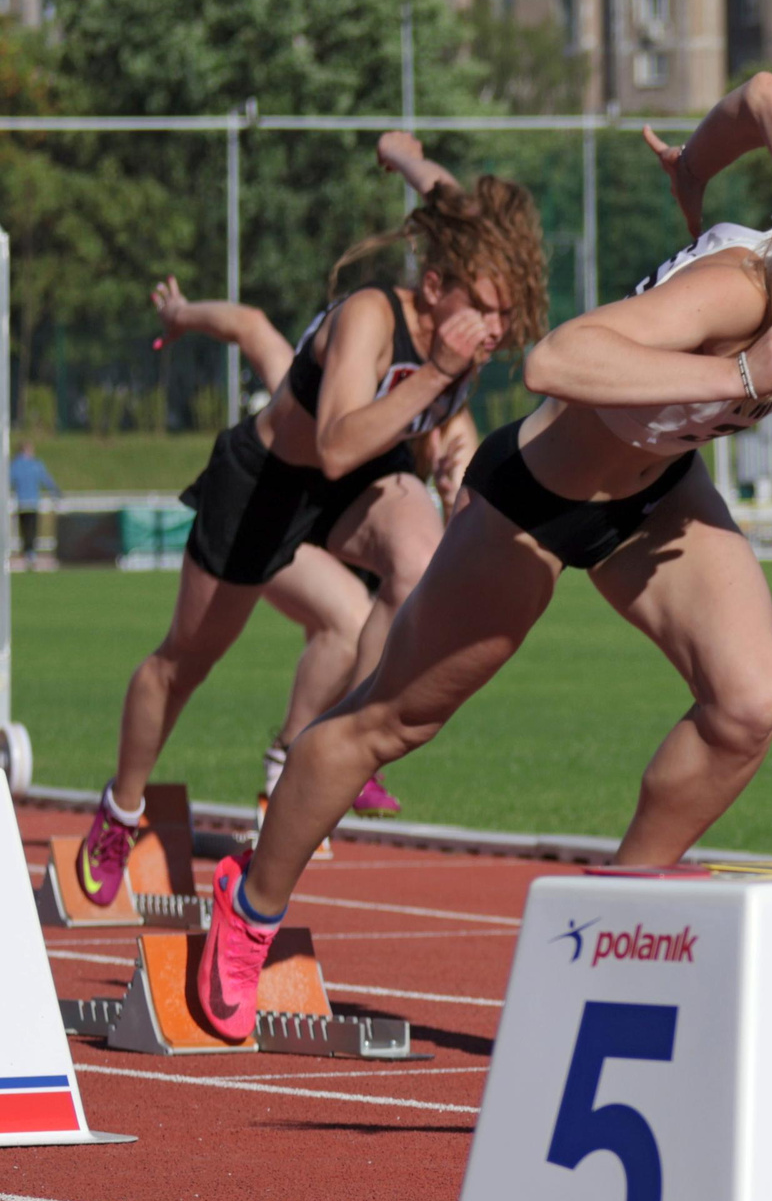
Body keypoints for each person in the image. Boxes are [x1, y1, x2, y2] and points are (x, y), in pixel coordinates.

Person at [199, 72, 772, 1041]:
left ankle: (615, 932)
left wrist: (693, 168)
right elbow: (556, 362)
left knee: (746, 705)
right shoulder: (729, 299)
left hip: (657, 494)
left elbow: (764, 95)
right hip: (537, 501)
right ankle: (249, 905)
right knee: (389, 721)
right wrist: (741, 372)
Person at [71, 135, 539, 915]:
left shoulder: (463, 332)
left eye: (505, 311)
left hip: (354, 486)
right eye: (484, 309)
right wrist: (183, 315)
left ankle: (319, 755)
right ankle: (118, 813)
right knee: (183, 663)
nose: (496, 327)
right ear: (434, 288)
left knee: (407, 570)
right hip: (266, 489)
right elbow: (332, 445)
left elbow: (458, 212)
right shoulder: (372, 317)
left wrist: (404, 158)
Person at [148, 271, 438, 820]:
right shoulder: (302, 376)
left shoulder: (379, 399)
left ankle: (306, 749)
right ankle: (293, 758)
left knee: (357, 620)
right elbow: (250, 325)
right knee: (346, 621)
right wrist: (181, 314)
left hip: (325, 525)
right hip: (263, 519)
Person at [10, 440, 58, 568]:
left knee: (28, 529)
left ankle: (29, 553)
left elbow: (45, 479)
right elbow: (46, 479)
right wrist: (56, 491)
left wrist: (55, 491)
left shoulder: (17, 464)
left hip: (28, 502)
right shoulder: (29, 465)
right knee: (29, 528)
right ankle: (29, 554)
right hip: (27, 502)